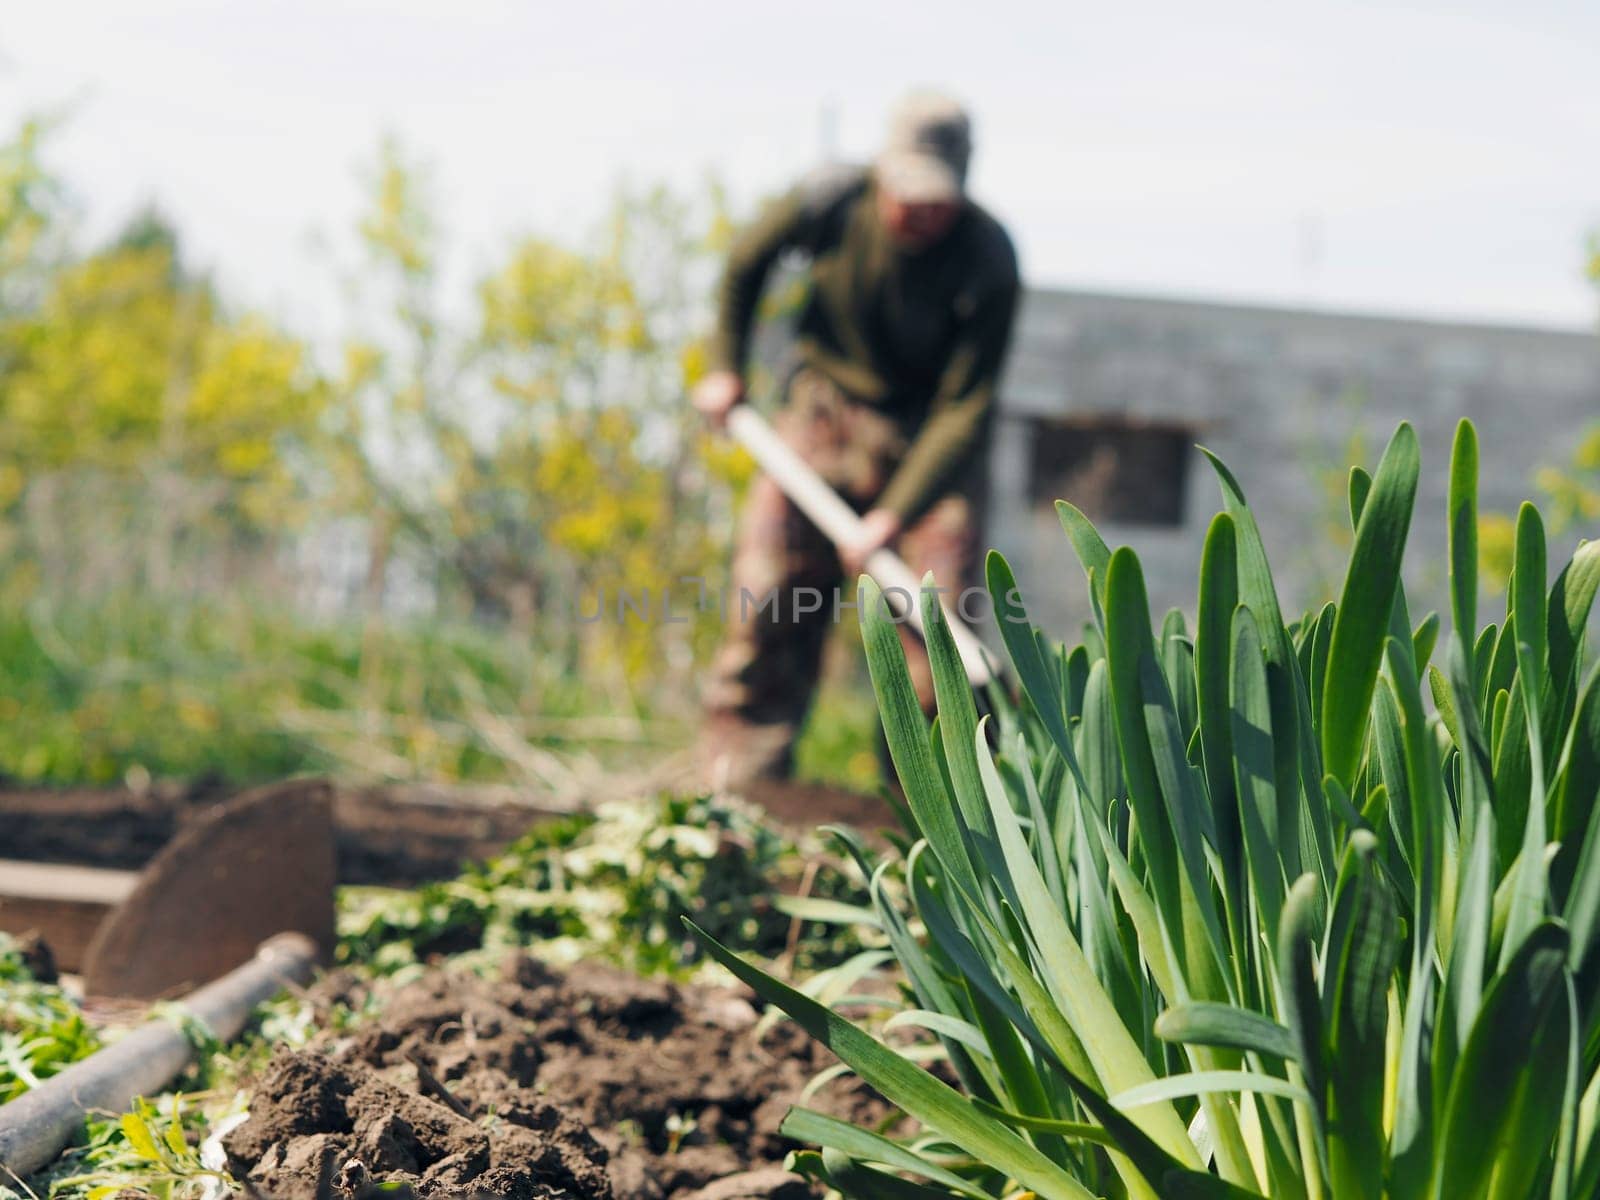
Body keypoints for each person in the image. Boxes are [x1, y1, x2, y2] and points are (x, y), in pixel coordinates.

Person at [694, 89, 1020, 787]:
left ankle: (929, 817)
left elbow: (968, 407)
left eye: (937, 197)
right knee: (770, 600)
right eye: (906, 191)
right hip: (822, 419)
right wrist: (727, 368)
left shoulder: (988, 258)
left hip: (930, 447)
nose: (918, 211)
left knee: (938, 634)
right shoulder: (831, 200)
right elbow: (744, 264)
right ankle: (737, 792)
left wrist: (890, 518)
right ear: (882, 170)